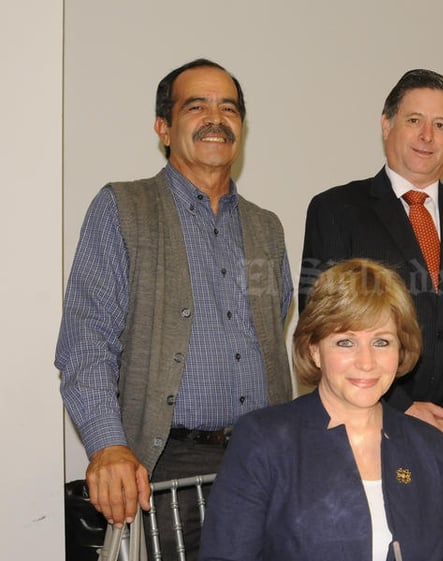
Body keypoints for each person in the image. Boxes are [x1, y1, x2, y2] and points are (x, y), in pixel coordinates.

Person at [55, 58, 293, 559]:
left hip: (264, 464)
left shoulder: (266, 228)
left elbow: (277, 325)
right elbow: (86, 341)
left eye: (228, 107)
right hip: (165, 469)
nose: (215, 116)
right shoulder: (123, 208)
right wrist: (107, 446)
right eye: (196, 106)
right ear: (164, 128)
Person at [300, 69, 443, 480]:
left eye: (440, 125)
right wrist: (402, 408)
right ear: (387, 124)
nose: (427, 136)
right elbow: (324, 325)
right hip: (367, 439)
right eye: (414, 120)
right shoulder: (336, 211)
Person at [200, 258, 443, 561]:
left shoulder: (431, 448)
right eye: (346, 342)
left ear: (401, 350)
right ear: (314, 350)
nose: (366, 362)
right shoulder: (263, 442)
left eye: (381, 342)